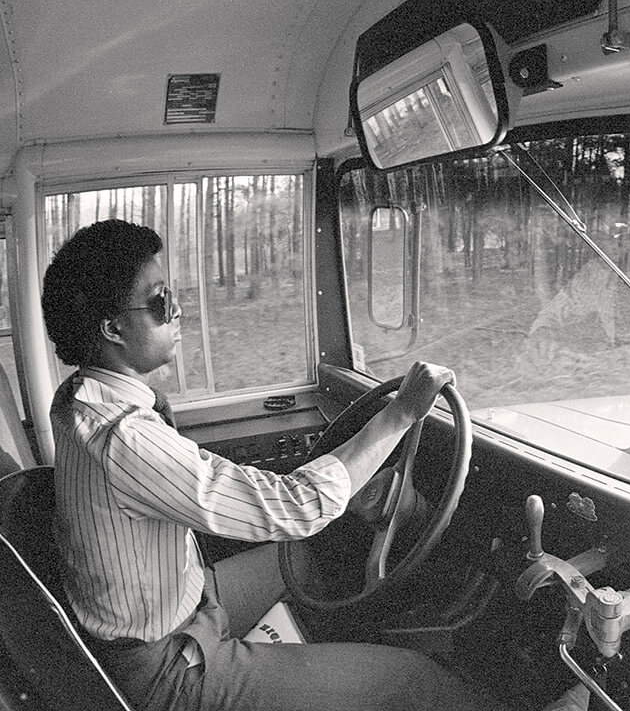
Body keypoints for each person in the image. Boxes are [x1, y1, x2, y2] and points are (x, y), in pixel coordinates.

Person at [41, 218, 496, 711]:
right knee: (415, 682)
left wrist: (350, 488)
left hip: (187, 605)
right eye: (161, 302)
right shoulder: (121, 436)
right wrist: (401, 414)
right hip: (166, 670)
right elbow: (295, 508)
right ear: (112, 328)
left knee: (318, 558)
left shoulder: (80, 396)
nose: (179, 311)